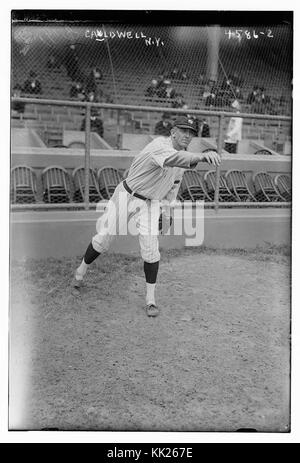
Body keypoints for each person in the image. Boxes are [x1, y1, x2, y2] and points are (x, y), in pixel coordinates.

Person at [72, 116, 221, 317]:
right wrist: (202, 157)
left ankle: (150, 300)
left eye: (191, 132)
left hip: (151, 203)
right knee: (104, 238)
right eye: (183, 130)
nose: (188, 135)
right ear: (173, 132)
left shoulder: (182, 159)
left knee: (151, 250)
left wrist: (167, 213)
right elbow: (174, 159)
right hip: (127, 195)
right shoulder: (159, 145)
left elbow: (172, 188)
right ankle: (80, 271)